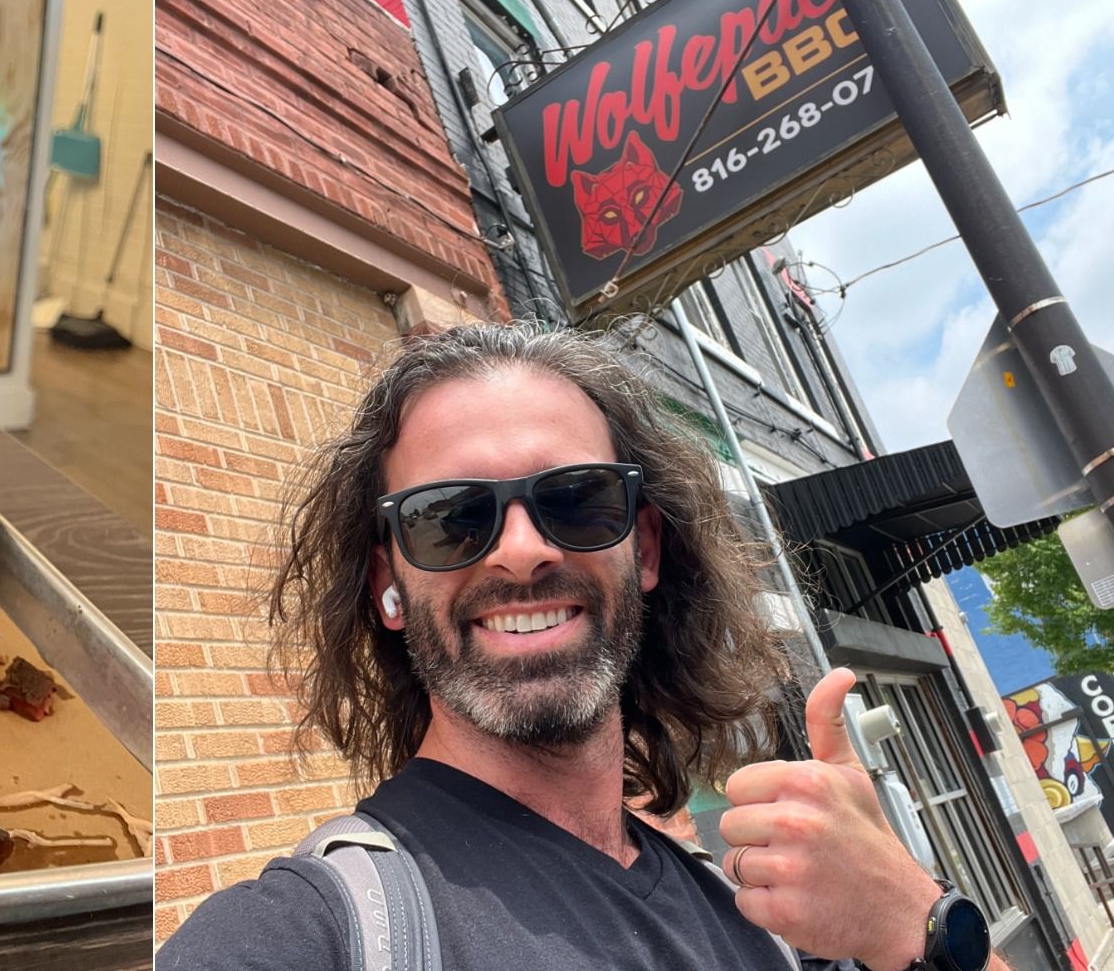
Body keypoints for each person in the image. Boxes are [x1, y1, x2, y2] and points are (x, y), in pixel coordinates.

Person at [158, 324, 1006, 971]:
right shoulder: (316, 933)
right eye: (451, 517)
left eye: (576, 499)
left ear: (645, 548)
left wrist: (915, 920)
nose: (522, 549)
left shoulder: (760, 918)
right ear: (387, 583)